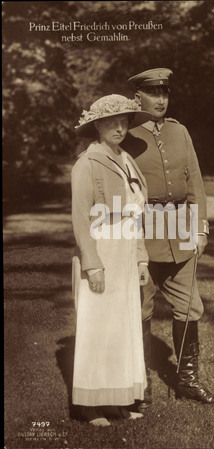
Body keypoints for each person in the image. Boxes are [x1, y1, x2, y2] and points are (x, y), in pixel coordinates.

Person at [123, 68, 214, 408]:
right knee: (141, 308)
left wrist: (200, 229)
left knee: (189, 308)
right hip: (143, 231)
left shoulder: (179, 132)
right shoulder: (126, 134)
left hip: (180, 230)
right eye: (153, 93)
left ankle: (188, 381)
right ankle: (141, 386)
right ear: (138, 97)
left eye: (165, 92)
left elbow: (195, 183)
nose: (161, 99)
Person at [71, 94, 152, 426]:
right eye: (112, 123)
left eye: (124, 122)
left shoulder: (127, 159)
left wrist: (142, 260)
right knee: (98, 328)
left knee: (122, 328)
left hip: (126, 251)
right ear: (98, 127)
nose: (120, 128)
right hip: (102, 251)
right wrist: (93, 265)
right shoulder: (87, 163)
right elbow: (80, 218)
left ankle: (117, 399)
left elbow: (136, 216)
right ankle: (89, 405)